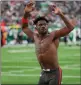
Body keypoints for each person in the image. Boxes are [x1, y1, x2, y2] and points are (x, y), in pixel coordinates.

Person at [21, 0, 76, 85]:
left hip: (54, 73)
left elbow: (70, 28)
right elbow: (24, 28)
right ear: (36, 27)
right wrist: (26, 13)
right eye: (40, 25)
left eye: (45, 24)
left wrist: (61, 14)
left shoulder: (53, 35)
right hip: (43, 73)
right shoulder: (35, 36)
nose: (43, 26)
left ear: (47, 26)